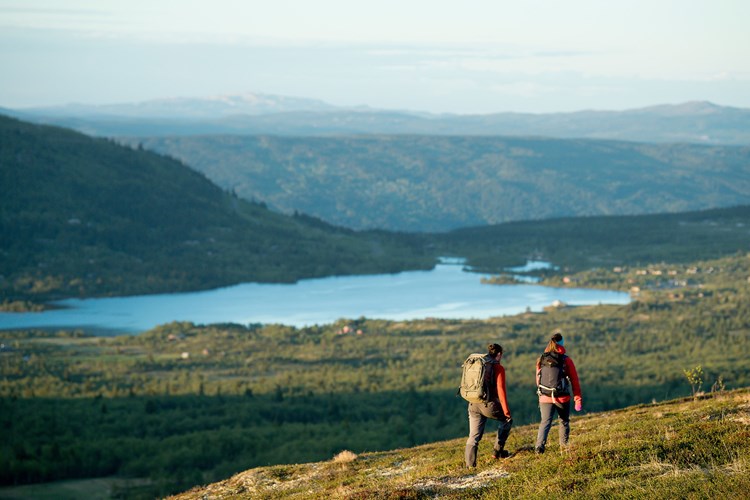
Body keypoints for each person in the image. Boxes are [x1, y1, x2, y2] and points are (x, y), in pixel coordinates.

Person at [465, 343, 513, 467]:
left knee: (473, 436)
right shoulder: (498, 368)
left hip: (473, 403)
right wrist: (506, 411)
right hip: (488, 405)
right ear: (499, 354)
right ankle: (497, 452)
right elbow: (501, 391)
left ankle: (470, 465)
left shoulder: (481, 364)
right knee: (506, 420)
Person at [534, 330, 582, 454]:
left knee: (545, 422)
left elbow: (538, 379)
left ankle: (539, 447)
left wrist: (544, 392)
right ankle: (564, 447)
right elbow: (574, 380)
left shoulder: (541, 359)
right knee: (563, 421)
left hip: (544, 396)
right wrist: (578, 399)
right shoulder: (566, 360)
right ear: (561, 344)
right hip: (562, 397)